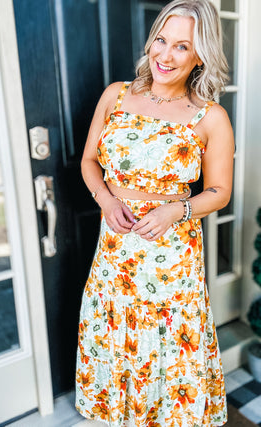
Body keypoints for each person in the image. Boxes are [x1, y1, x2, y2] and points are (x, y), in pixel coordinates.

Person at [75, 0, 233, 425]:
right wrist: (107, 201)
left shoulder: (210, 117)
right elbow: (89, 162)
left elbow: (219, 193)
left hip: (172, 258)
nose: (165, 55)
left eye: (182, 46)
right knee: (116, 343)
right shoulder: (117, 95)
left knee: (170, 353)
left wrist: (175, 211)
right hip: (115, 255)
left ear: (201, 54)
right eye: (161, 41)